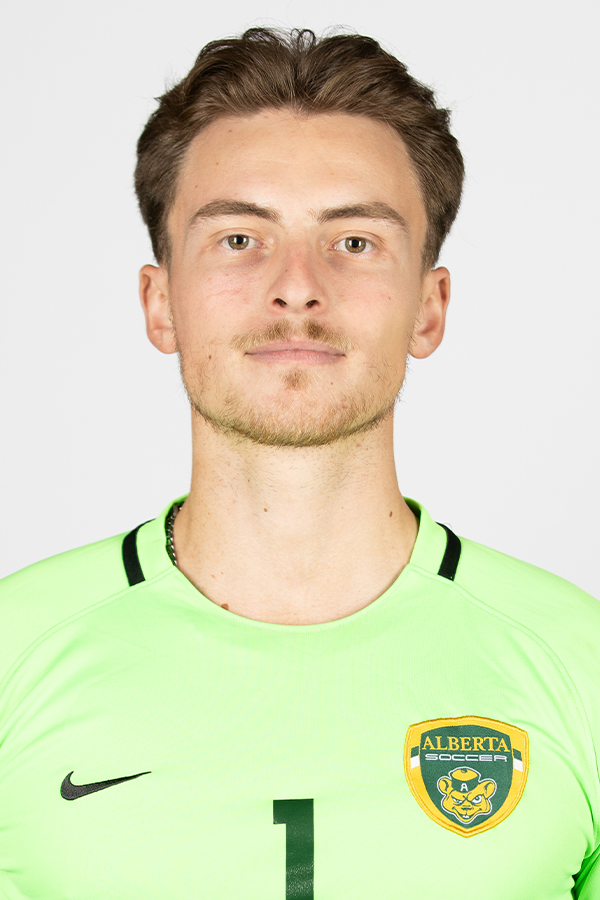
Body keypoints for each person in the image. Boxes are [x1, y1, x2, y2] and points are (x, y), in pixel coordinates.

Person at [0, 26, 597, 899]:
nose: (297, 287)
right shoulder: (13, 653)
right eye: (239, 239)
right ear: (160, 303)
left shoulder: (580, 664)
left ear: (428, 308)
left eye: (354, 241)